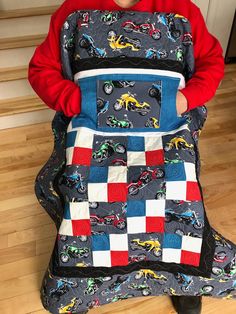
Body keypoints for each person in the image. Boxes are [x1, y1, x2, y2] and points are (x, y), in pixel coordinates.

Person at [28, 1, 232, 314]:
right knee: (86, 192)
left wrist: (185, 99)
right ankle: (84, 279)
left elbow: (211, 62)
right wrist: (80, 101)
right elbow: (42, 70)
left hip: (166, 130)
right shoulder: (75, 10)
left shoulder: (180, 9)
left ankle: (181, 276)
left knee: (179, 193)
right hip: (93, 130)